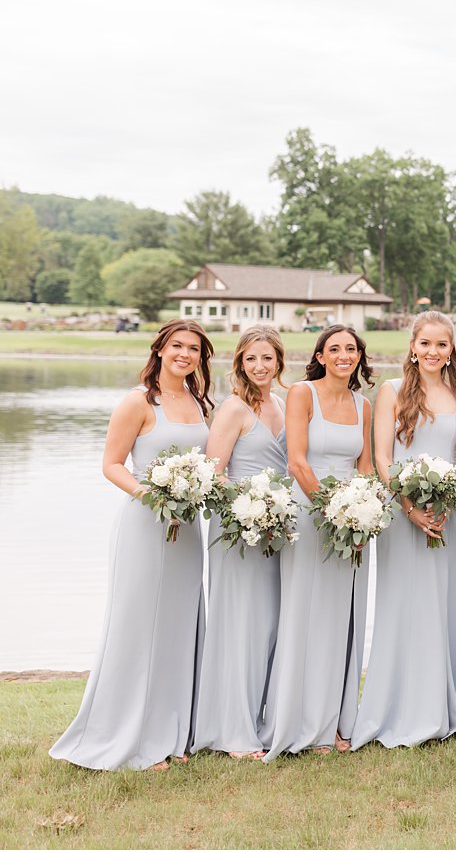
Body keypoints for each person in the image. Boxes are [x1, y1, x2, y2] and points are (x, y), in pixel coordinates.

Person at [50, 319, 214, 771]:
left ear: (201, 358)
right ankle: (127, 739)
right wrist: (152, 494)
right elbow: (111, 464)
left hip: (187, 531)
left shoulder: (200, 404)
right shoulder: (138, 402)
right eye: (177, 345)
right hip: (146, 524)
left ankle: (172, 732)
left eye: (194, 349)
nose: (185, 354)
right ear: (160, 349)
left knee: (179, 627)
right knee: (139, 626)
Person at [353, 311, 456, 747]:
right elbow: (382, 457)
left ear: (451, 349)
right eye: (425, 344)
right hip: (403, 515)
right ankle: (395, 711)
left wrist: (449, 496)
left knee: (439, 607)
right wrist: (408, 506)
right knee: (404, 605)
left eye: (441, 344)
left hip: (448, 515)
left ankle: (436, 711)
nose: (433, 352)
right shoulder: (392, 391)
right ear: (412, 346)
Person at [263, 325, 373, 759]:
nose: (343, 355)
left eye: (351, 349)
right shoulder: (301, 394)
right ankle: (298, 723)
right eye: (335, 349)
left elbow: (364, 465)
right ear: (321, 356)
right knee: (305, 614)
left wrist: (362, 510)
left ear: (359, 357)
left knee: (340, 619)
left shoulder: (364, 404)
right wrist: (333, 509)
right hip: (311, 517)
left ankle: (334, 723)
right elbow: (296, 460)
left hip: (352, 521)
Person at [192, 326, 288, 760]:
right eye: (251, 359)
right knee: (241, 624)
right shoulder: (232, 409)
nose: (260, 367)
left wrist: (276, 512)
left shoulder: (284, 405)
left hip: (276, 529)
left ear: (279, 361)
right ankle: (232, 731)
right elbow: (215, 473)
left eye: (267, 358)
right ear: (239, 364)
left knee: (268, 626)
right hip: (238, 529)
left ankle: (262, 720)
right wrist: (252, 508)